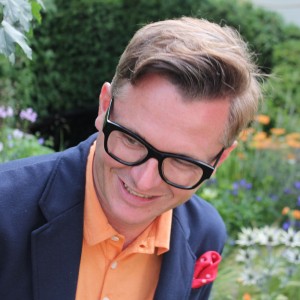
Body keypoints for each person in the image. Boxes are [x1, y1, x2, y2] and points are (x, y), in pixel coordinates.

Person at [0, 17, 261, 300]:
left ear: (220, 160)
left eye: (182, 162)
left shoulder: (205, 235)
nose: (144, 181)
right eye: (132, 140)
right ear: (104, 107)